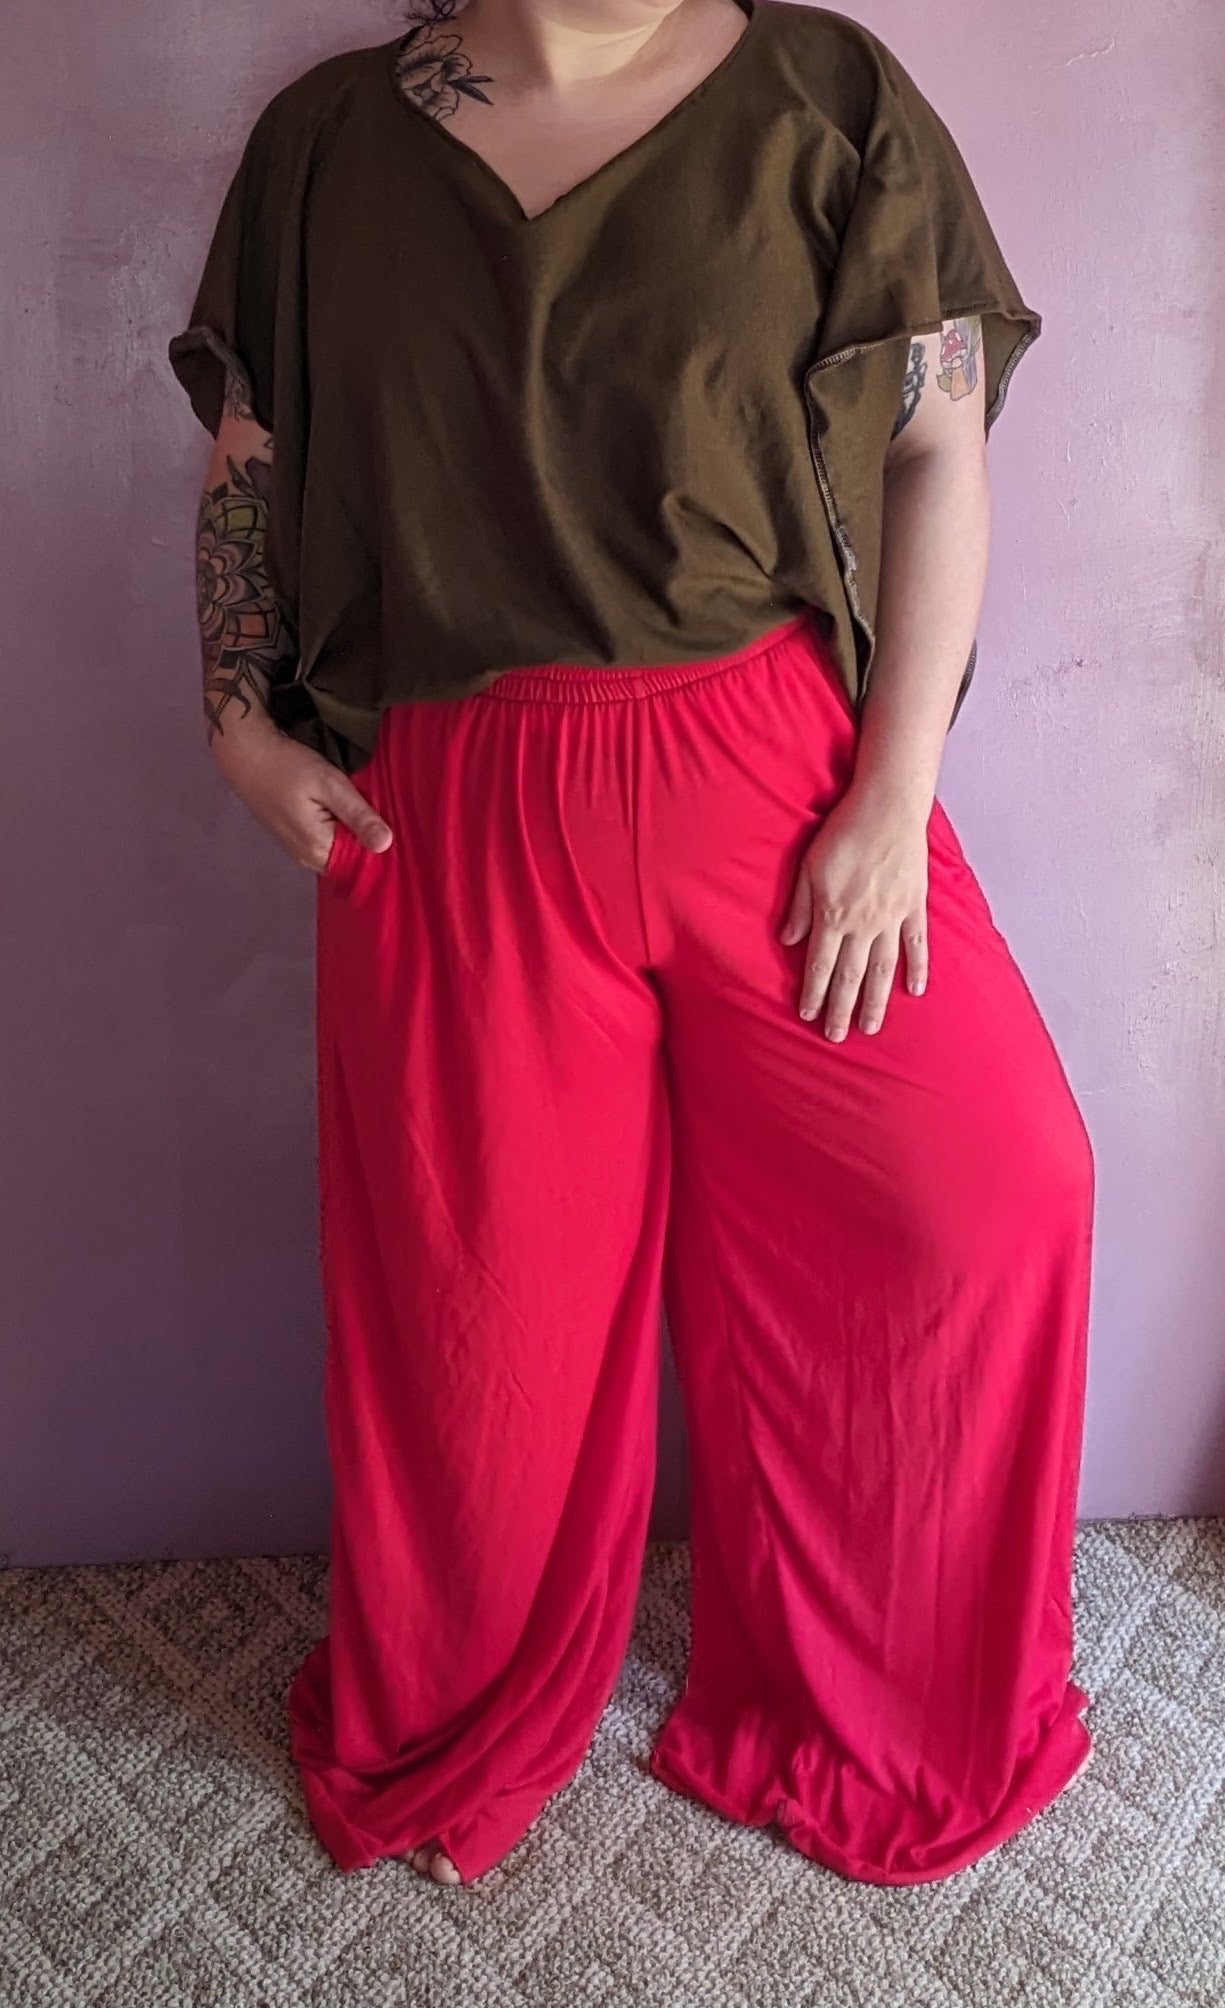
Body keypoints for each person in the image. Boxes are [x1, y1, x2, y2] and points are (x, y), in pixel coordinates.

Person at [169, 0, 1095, 1890]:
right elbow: (249, 455)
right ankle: (458, 1717)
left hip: (776, 780)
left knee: (987, 1194)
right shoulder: (329, 145)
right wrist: (237, 722)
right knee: (476, 1327)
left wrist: (892, 795)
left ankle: (875, 1709)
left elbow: (935, 452)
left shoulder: (826, 102)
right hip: (457, 809)